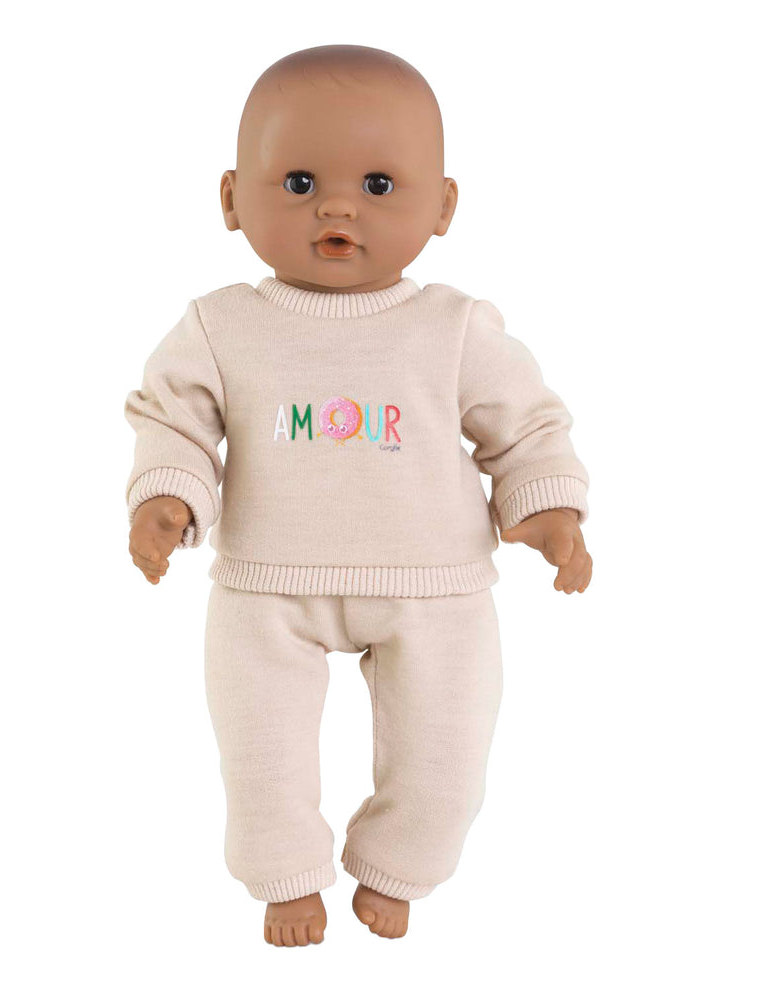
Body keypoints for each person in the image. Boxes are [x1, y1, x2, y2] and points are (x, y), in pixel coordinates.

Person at [125, 44, 592, 946]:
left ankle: (401, 863)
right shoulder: (221, 325)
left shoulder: (454, 327)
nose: (337, 207)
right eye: (299, 182)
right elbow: (171, 417)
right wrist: (167, 496)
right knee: (260, 756)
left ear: (443, 207)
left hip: (436, 586)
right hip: (266, 585)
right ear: (231, 198)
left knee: (447, 754)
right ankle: (285, 875)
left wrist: (545, 510)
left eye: (379, 185)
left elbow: (525, 426)